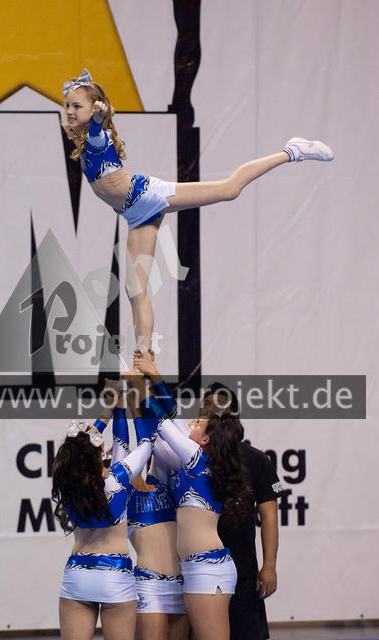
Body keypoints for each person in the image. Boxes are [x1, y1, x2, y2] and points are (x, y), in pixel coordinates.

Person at [62, 69, 334, 350]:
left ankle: (292, 151)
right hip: (134, 214)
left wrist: (97, 119)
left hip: (146, 195)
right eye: (68, 105)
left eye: (77, 106)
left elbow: (96, 132)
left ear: (94, 110)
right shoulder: (83, 139)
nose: (69, 111)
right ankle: (144, 358)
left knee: (230, 189)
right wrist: (89, 114)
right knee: (135, 289)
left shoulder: (97, 138)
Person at [131, 353, 251, 640]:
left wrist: (144, 386)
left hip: (208, 568)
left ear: (206, 439)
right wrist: (149, 380)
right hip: (197, 567)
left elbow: (164, 423)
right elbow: (170, 419)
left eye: (196, 423)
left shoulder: (197, 459)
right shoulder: (192, 461)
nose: (189, 426)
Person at [51, 396, 158, 640]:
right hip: (115, 576)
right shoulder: (118, 478)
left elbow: (82, 443)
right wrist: (127, 408)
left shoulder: (68, 481)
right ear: (100, 450)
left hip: (78, 573)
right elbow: (145, 444)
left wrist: (110, 409)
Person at [201, 384, 283, 640]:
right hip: (197, 570)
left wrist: (269, 566)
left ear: (233, 413)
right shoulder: (191, 457)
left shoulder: (256, 460)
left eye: (216, 408)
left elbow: (269, 516)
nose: (210, 413)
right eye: (205, 408)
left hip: (242, 571)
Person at [111, 380, 189, 640]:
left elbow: (151, 438)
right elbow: (120, 443)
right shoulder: (122, 493)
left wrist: (135, 400)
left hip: (181, 582)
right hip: (149, 583)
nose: (132, 458)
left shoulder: (160, 481)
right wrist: (120, 407)